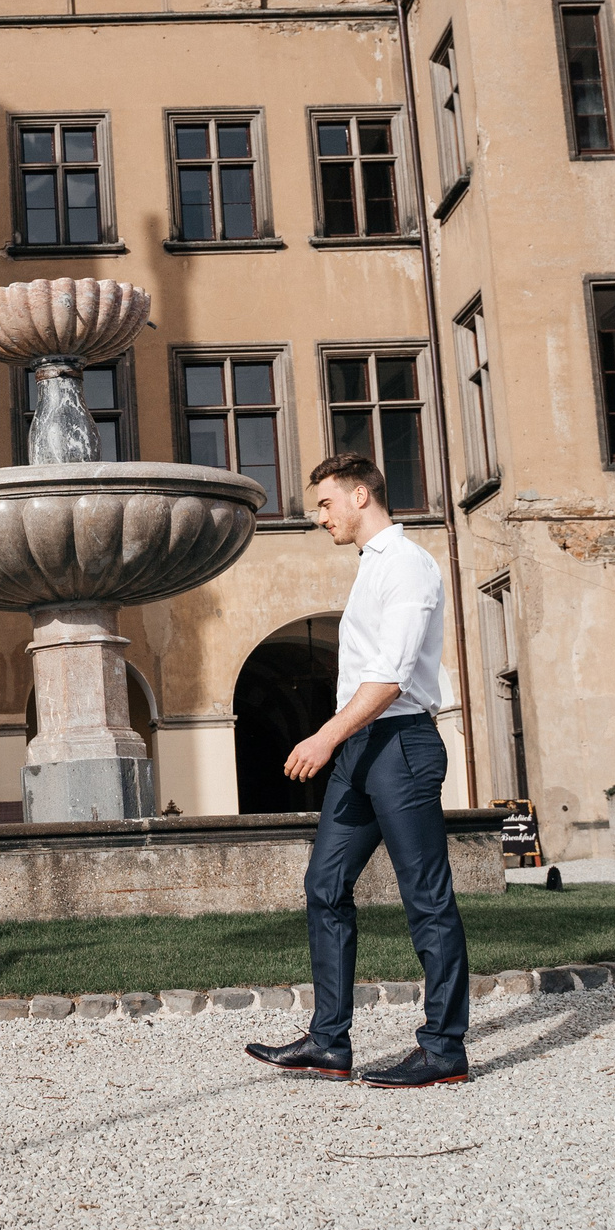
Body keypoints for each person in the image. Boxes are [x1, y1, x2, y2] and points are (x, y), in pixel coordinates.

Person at [245, 453, 470, 1088]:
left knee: (426, 896)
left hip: (400, 746)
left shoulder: (407, 566)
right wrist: (342, 743)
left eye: (325, 504)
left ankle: (444, 1049)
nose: (320, 517)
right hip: (361, 750)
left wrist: (324, 736)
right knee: (324, 885)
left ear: (362, 496)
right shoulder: (372, 566)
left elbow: (392, 678)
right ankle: (328, 1042)